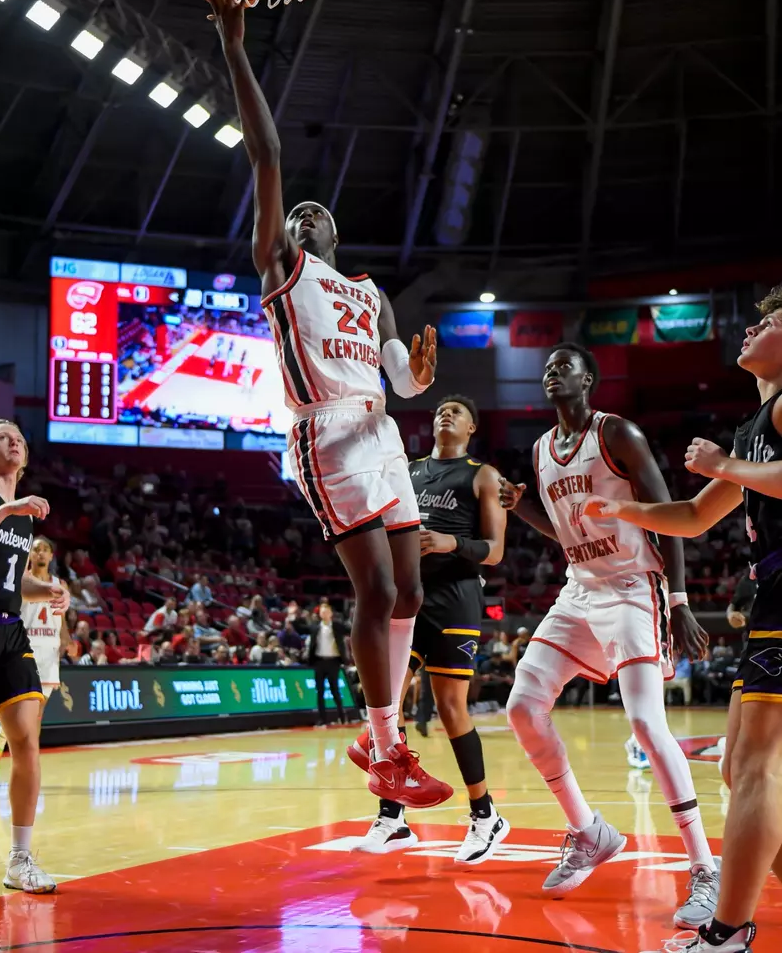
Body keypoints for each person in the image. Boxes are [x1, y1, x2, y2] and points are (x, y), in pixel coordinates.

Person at [209, 0, 449, 809]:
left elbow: (402, 381)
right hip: (326, 435)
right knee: (375, 591)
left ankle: (372, 734)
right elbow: (268, 155)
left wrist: (418, 378)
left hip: (382, 432)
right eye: (296, 213)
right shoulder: (283, 269)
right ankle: (385, 748)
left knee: (410, 591)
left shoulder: (369, 292)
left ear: (336, 234)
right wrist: (236, 45)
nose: (303, 215)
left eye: (316, 213)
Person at [578, 286, 782, 953]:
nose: (751, 328)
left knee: (756, 768)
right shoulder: (756, 427)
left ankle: (726, 930)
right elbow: (695, 515)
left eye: (769, 321)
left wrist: (726, 465)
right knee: (738, 772)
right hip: (769, 600)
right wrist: (623, 513)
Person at [498, 344, 716, 927]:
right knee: (522, 706)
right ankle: (589, 831)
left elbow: (668, 511)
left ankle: (704, 868)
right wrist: (522, 509)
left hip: (631, 586)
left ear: (587, 380)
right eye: (547, 367)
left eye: (563, 366)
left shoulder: (618, 434)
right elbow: (567, 536)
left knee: (646, 723)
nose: (551, 373)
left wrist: (680, 599)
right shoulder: (543, 449)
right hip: (579, 587)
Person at [351, 395, 508, 862]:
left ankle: (485, 815)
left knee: (451, 708)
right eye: (441, 409)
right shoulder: (410, 470)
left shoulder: (483, 474)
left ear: (472, 427)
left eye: (458, 411)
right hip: (408, 595)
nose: (447, 414)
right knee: (387, 708)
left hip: (456, 598)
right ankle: (392, 816)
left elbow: (495, 551)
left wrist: (449, 541)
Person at [0, 419, 70, 893]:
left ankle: (19, 859)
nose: (15, 441)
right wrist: (4, 512)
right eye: (4, 436)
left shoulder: (22, 514)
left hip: (8, 632)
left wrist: (45, 588)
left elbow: (10, 578)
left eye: (20, 437)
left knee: (26, 741)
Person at [0, 536, 68, 781]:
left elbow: (61, 617)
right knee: (24, 713)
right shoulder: (19, 579)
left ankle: (7, 750)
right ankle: (13, 754)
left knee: (37, 714)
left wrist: (66, 639)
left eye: (45, 550)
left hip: (49, 651)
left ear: (51, 555)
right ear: (29, 554)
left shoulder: (59, 583)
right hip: (25, 647)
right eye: (36, 549)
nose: (40, 553)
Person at [307, 602, 348, 727]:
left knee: (335, 689)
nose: (323, 613)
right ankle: (322, 719)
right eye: (322, 611)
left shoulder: (337, 626)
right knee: (320, 691)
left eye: (326, 610)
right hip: (319, 661)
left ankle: (342, 717)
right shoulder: (315, 627)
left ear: (330, 613)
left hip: (333, 661)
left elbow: (351, 630)